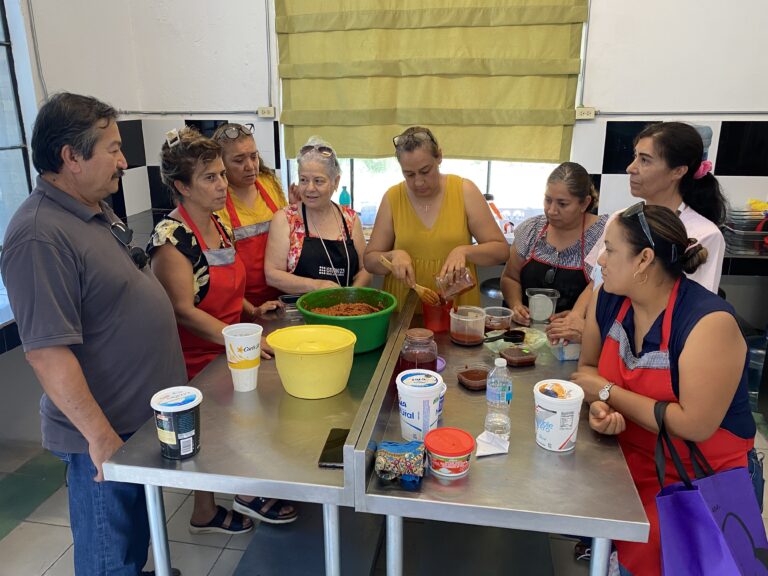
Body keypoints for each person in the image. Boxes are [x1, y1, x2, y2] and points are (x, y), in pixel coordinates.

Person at [0, 92, 187, 575]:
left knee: (133, 541)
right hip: (103, 435)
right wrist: (100, 437)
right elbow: (46, 353)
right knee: (110, 555)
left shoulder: (93, 209)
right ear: (71, 156)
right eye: (112, 148)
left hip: (136, 421)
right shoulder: (40, 234)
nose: (124, 161)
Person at [570, 203, 756, 576]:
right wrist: (600, 410)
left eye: (610, 248)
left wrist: (608, 393)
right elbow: (587, 370)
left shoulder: (709, 322)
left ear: (644, 260)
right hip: (626, 469)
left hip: (699, 483)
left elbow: (694, 425)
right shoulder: (609, 299)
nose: (601, 259)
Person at [150, 127, 297, 535]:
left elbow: (230, 279)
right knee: (213, 428)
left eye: (220, 173)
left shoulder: (219, 222)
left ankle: (211, 507)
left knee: (240, 420)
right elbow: (182, 310)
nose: (222, 184)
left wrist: (252, 308)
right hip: (195, 354)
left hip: (228, 342)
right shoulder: (171, 238)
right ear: (182, 186)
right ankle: (244, 495)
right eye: (210, 177)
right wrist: (239, 339)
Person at [562, 122, 728, 345]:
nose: (631, 167)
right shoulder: (621, 219)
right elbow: (596, 282)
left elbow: (689, 314)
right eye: (635, 156)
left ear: (678, 171)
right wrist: (576, 317)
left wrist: (599, 331)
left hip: (649, 351)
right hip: (599, 340)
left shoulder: (703, 234)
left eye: (645, 160)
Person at [364, 126, 508, 309]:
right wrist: (393, 256)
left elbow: (501, 251)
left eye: (425, 171)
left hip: (455, 310)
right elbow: (369, 261)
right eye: (409, 174)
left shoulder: (464, 191)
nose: (418, 182)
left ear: (439, 157)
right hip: (404, 311)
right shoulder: (393, 197)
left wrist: (464, 251)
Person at [499, 162, 607, 333]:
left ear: (585, 203)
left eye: (562, 204)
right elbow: (510, 278)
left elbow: (606, 292)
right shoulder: (531, 230)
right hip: (526, 334)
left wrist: (578, 316)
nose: (551, 210)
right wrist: (516, 305)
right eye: (548, 200)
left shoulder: (604, 234)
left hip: (575, 339)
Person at [264, 137, 371, 292]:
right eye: (303, 180)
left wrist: (350, 296)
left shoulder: (351, 219)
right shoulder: (285, 219)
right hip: (298, 311)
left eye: (319, 181)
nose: (310, 188)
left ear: (336, 181)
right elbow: (272, 274)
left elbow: (366, 269)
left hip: (344, 311)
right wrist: (316, 286)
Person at [213, 122, 288, 307]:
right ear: (221, 163)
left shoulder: (269, 182)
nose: (250, 166)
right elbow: (220, 272)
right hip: (242, 302)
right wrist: (251, 310)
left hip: (283, 294)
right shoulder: (216, 200)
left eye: (253, 157)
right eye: (239, 161)